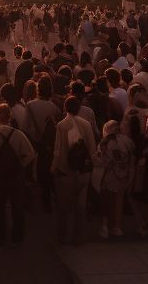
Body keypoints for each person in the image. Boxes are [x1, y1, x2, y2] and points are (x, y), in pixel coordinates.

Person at [0, 102, 35, 246]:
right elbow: (30, 154)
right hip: (15, 176)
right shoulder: (18, 134)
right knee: (17, 207)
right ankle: (17, 236)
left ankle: (0, 237)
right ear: (10, 117)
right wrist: (19, 165)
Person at [51, 94, 97, 245]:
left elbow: (58, 150)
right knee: (80, 207)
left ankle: (61, 236)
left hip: (66, 170)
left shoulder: (61, 126)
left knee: (63, 207)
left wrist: (54, 167)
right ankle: (78, 237)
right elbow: (92, 148)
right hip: (83, 170)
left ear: (65, 108)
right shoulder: (86, 124)